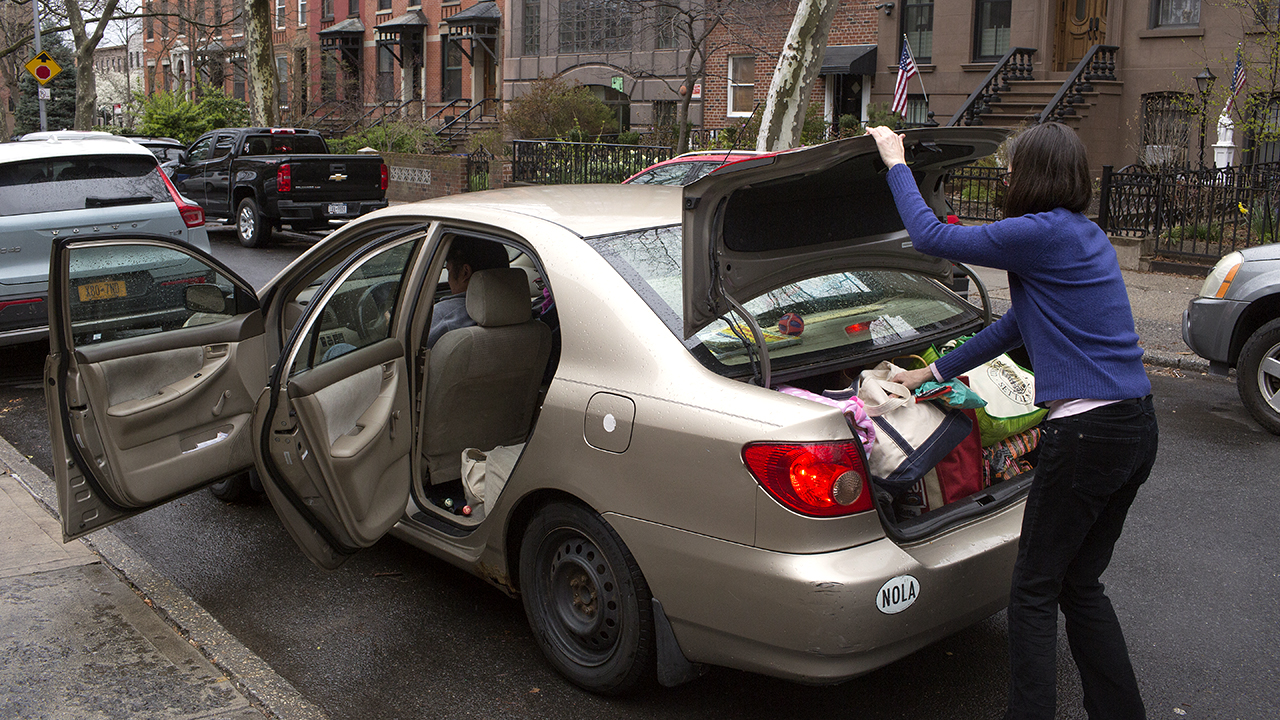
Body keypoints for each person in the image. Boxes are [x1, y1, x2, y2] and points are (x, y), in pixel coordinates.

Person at [867, 122, 1158, 720]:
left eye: (1012, 166)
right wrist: (932, 373)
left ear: (1037, 176)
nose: (1004, 175)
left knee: (1031, 592)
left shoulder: (1038, 233)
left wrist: (895, 159)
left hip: (1088, 432)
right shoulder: (1080, 235)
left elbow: (926, 235)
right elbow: (1016, 326)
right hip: (1134, 427)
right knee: (1080, 584)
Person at [425, 237, 510, 348]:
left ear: (465, 272)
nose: (449, 280)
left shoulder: (443, 317)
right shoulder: (524, 316)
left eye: (449, 270)